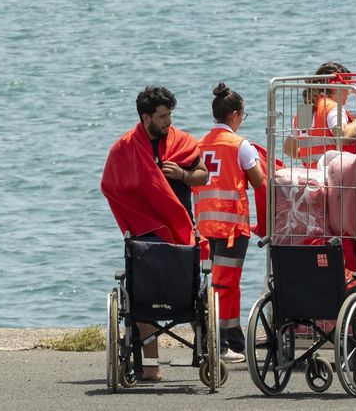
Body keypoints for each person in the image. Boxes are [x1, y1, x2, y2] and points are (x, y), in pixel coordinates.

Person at [101, 86, 209, 381]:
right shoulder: (124, 148)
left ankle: (199, 351)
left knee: (189, 296)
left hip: (179, 232)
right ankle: (151, 365)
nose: (168, 121)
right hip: (144, 236)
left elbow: (204, 175)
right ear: (145, 117)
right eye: (162, 116)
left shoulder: (182, 143)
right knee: (142, 300)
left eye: (170, 114)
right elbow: (111, 187)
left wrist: (183, 175)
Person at [193, 83, 264, 364]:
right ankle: (222, 342)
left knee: (218, 285)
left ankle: (231, 338)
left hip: (205, 226)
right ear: (235, 115)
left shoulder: (199, 145)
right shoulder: (239, 144)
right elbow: (258, 180)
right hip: (232, 228)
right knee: (226, 286)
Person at [286, 62, 356, 166]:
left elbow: (289, 149)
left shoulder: (306, 111)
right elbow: (343, 136)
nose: (349, 93)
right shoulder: (333, 108)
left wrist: (313, 153)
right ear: (336, 87)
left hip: (311, 176)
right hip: (334, 176)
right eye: (348, 87)